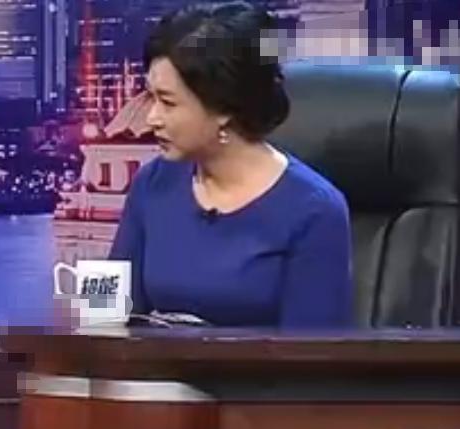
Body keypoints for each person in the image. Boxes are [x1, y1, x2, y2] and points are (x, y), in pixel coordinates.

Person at [110, 1, 354, 328]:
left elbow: (312, 353)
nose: (151, 118)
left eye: (167, 102)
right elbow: (105, 313)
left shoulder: (315, 210)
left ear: (224, 108)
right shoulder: (152, 182)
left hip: (261, 365)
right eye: (150, 98)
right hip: (156, 362)